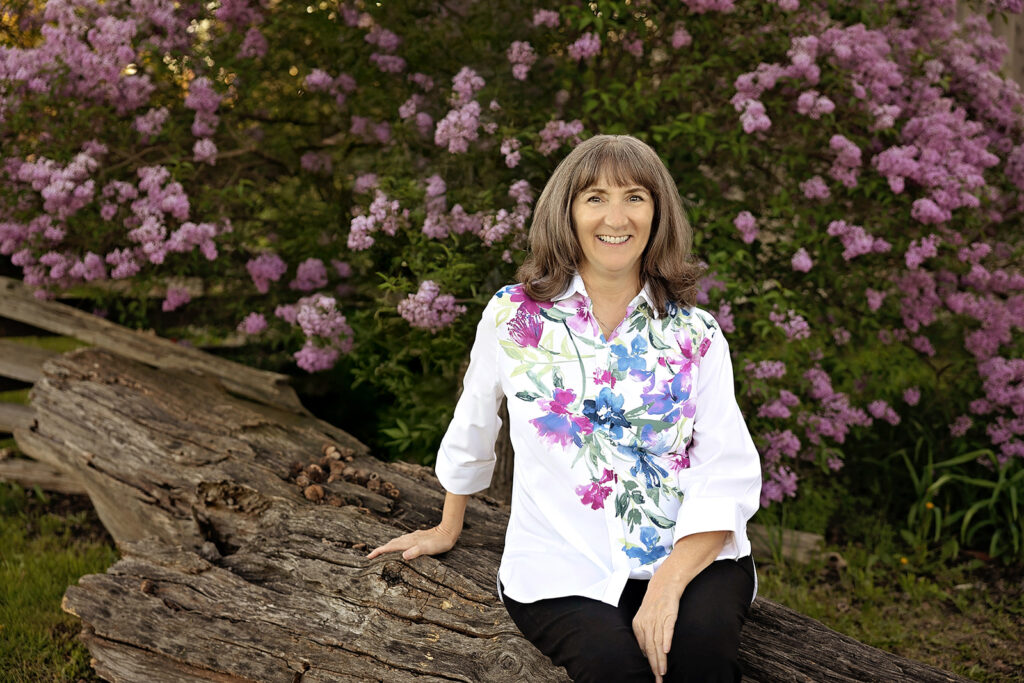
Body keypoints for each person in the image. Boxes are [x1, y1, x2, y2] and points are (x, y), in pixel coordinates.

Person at [368, 134, 762, 683]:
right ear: (567, 210)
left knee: (699, 662)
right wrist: (446, 525)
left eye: (635, 196)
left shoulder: (695, 334)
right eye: (595, 197)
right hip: (560, 565)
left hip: (693, 559)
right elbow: (476, 419)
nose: (615, 216)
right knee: (614, 671)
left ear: (658, 212)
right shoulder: (512, 316)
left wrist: (668, 585)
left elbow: (725, 470)